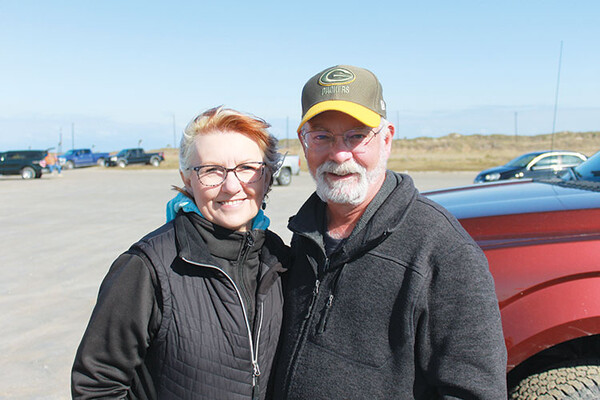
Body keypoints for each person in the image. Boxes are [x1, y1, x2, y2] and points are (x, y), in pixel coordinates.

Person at [272, 65, 507, 399]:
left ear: (386, 139)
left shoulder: (443, 249)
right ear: (304, 142)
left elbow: (474, 391)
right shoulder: (304, 235)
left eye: (356, 136)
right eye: (322, 136)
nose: (340, 154)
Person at [72, 106, 289, 399]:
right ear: (188, 179)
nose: (231, 185)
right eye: (212, 170)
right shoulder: (147, 268)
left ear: (267, 177)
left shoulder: (281, 261)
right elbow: (97, 385)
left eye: (247, 168)